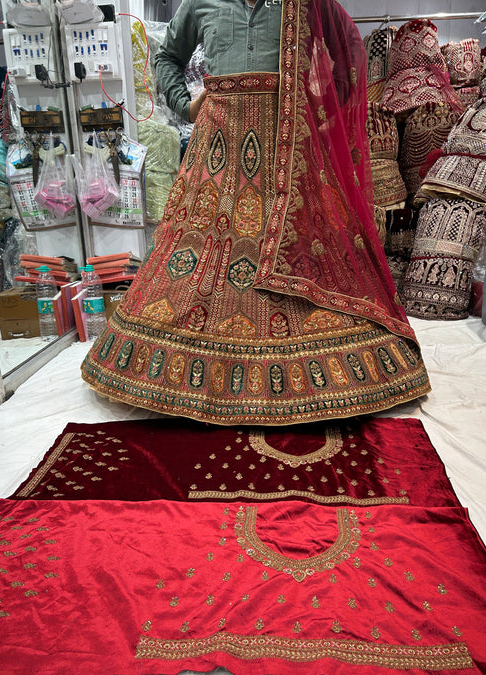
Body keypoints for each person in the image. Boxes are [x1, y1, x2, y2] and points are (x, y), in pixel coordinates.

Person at [81, 0, 431, 425]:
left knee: (303, 250)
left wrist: (318, 118)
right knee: (203, 248)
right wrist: (184, 102)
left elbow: (349, 58)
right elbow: (168, 56)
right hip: (218, 152)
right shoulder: (201, 3)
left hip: (291, 151)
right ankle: (202, 372)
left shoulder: (308, 4)